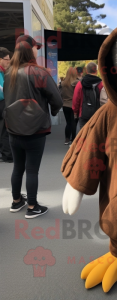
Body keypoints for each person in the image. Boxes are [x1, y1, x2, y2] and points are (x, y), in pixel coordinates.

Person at [3, 35, 63, 218]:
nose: (38, 49)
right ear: (30, 50)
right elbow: (57, 100)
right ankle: (32, 207)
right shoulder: (38, 72)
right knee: (31, 169)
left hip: (13, 128)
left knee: (18, 168)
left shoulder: (8, 73)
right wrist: (52, 112)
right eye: (36, 47)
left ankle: (16, 201)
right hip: (36, 129)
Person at [72, 62, 103, 129]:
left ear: (86, 71)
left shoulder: (80, 84)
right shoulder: (101, 84)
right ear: (96, 71)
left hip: (83, 114)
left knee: (83, 135)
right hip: (97, 114)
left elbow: (76, 99)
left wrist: (75, 112)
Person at [0, 47, 13, 163]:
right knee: (5, 129)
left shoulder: (3, 72)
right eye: (7, 59)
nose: (8, 62)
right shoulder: (1, 72)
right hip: (2, 102)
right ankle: (7, 155)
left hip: (3, 102)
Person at [60, 67, 78, 145]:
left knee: (68, 123)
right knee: (74, 123)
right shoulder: (76, 83)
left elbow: (60, 94)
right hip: (73, 105)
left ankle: (67, 139)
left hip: (65, 105)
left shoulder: (62, 83)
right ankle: (73, 140)